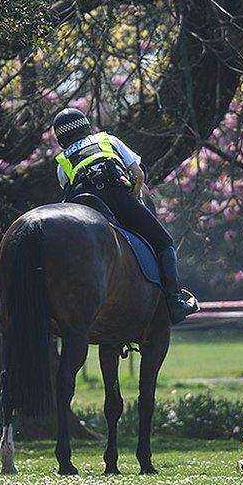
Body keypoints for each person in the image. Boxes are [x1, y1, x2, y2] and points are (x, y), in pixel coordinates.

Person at [50, 108, 198, 324]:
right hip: (117, 196)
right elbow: (138, 174)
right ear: (86, 126)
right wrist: (134, 195)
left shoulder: (62, 162)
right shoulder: (107, 140)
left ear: (60, 138)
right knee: (164, 242)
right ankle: (174, 302)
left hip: (85, 207)